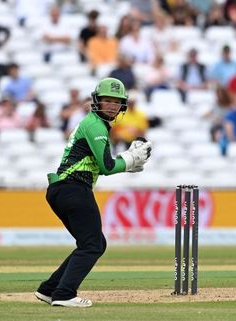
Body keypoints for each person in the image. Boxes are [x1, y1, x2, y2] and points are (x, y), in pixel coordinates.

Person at [34, 78, 152, 307]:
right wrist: (129, 160)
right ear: (96, 100)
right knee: (92, 245)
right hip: (74, 188)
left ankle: (49, 289)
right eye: (106, 100)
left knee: (94, 242)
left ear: (122, 106)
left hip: (63, 189)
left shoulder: (94, 124)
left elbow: (102, 164)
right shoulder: (95, 125)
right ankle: (64, 294)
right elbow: (107, 166)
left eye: (116, 102)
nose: (111, 105)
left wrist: (126, 161)